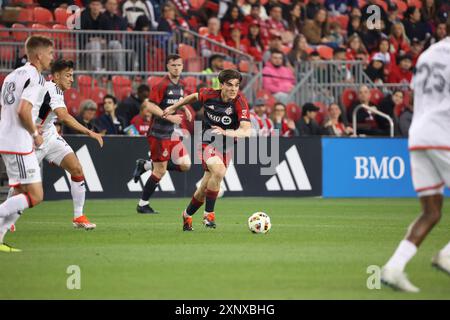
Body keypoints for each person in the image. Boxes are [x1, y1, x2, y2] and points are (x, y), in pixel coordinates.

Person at [381, 18, 450, 292]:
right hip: (444, 132)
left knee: (431, 212)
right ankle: (446, 255)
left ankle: (393, 268)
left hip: (419, 133)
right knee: (430, 212)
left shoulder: (429, 53)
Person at [162, 69, 252, 231]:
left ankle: (187, 214)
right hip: (207, 142)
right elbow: (193, 97)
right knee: (219, 171)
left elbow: (246, 130)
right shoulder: (209, 94)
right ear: (221, 85)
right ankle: (209, 215)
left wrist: (226, 132)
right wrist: (174, 107)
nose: (233, 89)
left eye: (237, 85)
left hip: (227, 147)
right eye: (229, 85)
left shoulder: (240, 102)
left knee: (204, 188)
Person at [35, 59, 103, 230]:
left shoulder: (56, 89)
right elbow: (64, 117)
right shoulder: (52, 89)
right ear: (56, 76)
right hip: (32, 137)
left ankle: (78, 216)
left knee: (77, 169)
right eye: (68, 75)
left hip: (49, 134)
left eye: (72, 75)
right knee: (23, 184)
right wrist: (89, 132)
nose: (72, 79)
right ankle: (6, 218)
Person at [0, 36, 53, 252]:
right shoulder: (36, 77)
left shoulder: (12, 75)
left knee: (21, 191)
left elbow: (9, 110)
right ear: (39, 55)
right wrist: (34, 132)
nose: (52, 57)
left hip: (9, 137)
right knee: (35, 196)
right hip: (19, 142)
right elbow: (23, 110)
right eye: (50, 53)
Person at [132, 54, 192, 214]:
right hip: (158, 134)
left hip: (170, 134)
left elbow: (177, 100)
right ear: (167, 67)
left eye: (179, 65)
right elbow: (149, 105)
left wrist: (185, 108)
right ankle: (143, 204)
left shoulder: (181, 84)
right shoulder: (161, 84)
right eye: (173, 65)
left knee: (185, 164)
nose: (176, 68)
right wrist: (170, 116)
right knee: (160, 170)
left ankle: (145, 165)